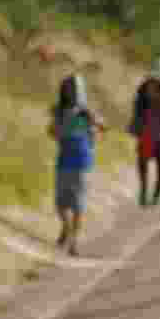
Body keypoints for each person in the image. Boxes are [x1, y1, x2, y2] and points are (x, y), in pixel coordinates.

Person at [48, 74, 105, 257]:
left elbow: (101, 129)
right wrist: (57, 123)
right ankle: (66, 228)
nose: (70, 91)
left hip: (81, 160)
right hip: (64, 159)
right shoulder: (59, 111)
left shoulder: (86, 113)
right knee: (60, 203)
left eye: (73, 88)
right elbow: (52, 133)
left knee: (78, 203)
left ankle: (74, 241)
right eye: (67, 88)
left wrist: (93, 128)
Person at [131, 78, 160, 206]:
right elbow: (135, 120)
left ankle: (157, 195)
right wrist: (136, 130)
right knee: (142, 167)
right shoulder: (140, 102)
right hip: (145, 139)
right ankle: (143, 193)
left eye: (153, 88)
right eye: (148, 88)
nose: (150, 91)